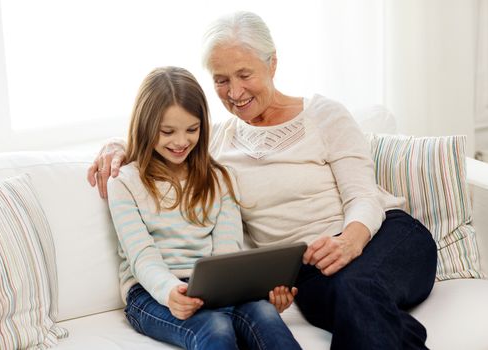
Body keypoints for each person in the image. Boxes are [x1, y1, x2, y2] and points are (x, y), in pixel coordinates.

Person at [90, 12, 438, 350]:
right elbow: (168, 137)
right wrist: (117, 146)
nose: (234, 91)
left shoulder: (323, 115)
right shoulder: (216, 143)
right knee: (360, 303)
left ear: (272, 64)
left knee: (357, 289)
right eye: (221, 79)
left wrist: (349, 241)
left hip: (381, 238)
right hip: (313, 273)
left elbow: (363, 195)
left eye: (244, 74)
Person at [106, 66, 301, 350]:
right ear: (146, 127)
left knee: (265, 315)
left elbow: (227, 253)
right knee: (215, 327)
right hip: (149, 293)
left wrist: (247, 293)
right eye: (168, 131)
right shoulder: (124, 182)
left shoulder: (219, 179)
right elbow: (142, 258)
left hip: (212, 289)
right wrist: (170, 291)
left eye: (192, 129)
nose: (181, 141)